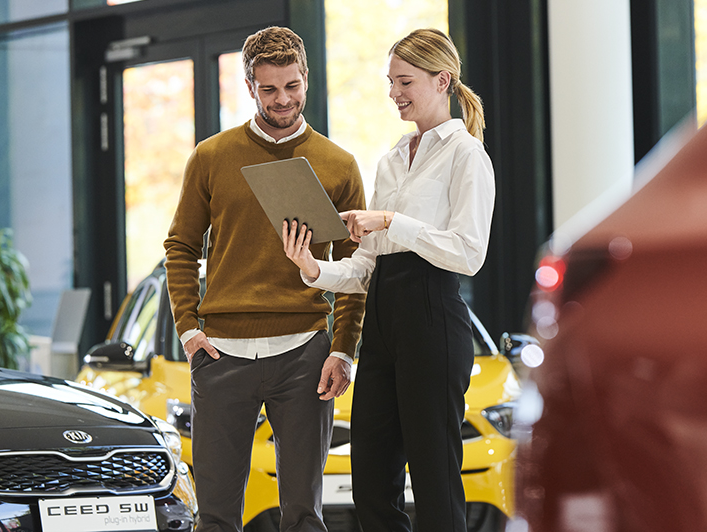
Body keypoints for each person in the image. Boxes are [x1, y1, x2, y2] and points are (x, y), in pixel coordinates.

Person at [283, 28, 495, 532]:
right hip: (381, 324)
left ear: (442, 80)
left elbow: (469, 253)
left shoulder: (467, 156)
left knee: (434, 481)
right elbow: (368, 266)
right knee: (371, 483)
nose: (394, 93)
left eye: (405, 81)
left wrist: (390, 222)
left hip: (432, 317)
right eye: (390, 82)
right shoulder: (392, 159)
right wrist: (314, 270)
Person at [163, 26, 366, 532]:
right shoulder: (210, 157)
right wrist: (189, 330)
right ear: (250, 87)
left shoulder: (339, 165)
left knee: (303, 514)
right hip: (221, 354)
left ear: (306, 81)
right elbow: (180, 247)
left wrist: (342, 350)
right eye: (269, 89)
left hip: (305, 355)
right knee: (214, 515)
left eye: (292, 86)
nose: (283, 99)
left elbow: (358, 269)